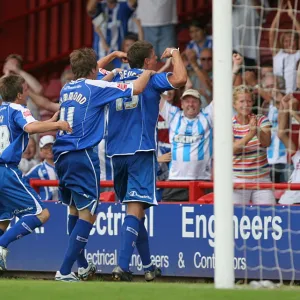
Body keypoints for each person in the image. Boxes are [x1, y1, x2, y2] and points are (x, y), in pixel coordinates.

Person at [52, 47, 154, 282]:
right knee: (89, 214)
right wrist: (148, 72)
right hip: (82, 154)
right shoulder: (96, 87)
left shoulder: (67, 87)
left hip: (61, 154)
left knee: (74, 210)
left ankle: (82, 265)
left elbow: (95, 77)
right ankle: (65, 271)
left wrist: (112, 60)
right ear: (92, 70)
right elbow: (137, 88)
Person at [105, 41, 187, 281]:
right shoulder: (149, 77)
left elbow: (89, 73)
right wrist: (175, 54)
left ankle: (149, 267)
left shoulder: (114, 76)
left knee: (134, 209)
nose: (156, 61)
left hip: (115, 152)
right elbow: (180, 79)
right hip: (140, 149)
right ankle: (122, 265)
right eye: (154, 58)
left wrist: (114, 57)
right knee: (136, 206)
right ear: (149, 61)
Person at [0, 74, 71, 271]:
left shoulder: (1, 111)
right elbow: (30, 126)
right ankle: (1, 245)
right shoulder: (18, 109)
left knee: (4, 218)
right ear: (19, 94)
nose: (28, 92)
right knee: (42, 214)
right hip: (6, 171)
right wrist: (57, 125)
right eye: (26, 89)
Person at [232, 85, 275, 205]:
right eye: (241, 101)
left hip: (262, 178)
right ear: (234, 104)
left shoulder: (262, 120)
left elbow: (266, 143)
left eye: (249, 101)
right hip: (238, 179)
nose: (246, 104)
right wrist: (250, 134)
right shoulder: (229, 123)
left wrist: (257, 129)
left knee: (269, 215)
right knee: (235, 216)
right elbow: (232, 149)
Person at [269, 0, 300, 93]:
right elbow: (272, 33)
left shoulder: (298, 54)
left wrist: (292, 16)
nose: (288, 43)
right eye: (286, 41)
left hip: (294, 92)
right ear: (282, 42)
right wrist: (279, 13)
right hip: (278, 92)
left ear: (296, 41)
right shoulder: (278, 53)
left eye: (291, 40)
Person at [277, 94, 300, 204]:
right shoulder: (296, 153)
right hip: (290, 199)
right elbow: (281, 133)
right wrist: (285, 109)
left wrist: (294, 113)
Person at [24, 135, 59, 200]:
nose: (49, 149)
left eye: (52, 146)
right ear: (41, 150)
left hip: (67, 206)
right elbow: (23, 182)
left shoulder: (66, 167)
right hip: (46, 206)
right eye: (46, 147)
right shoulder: (38, 170)